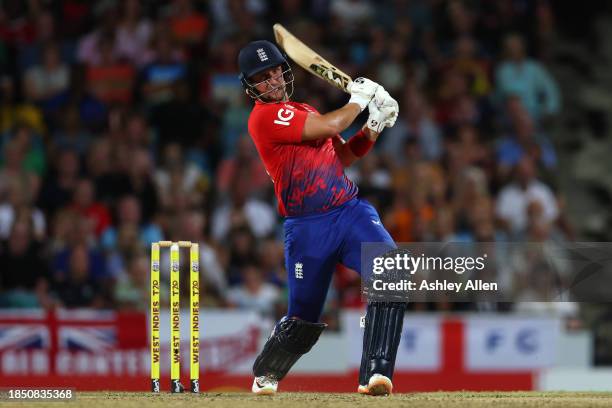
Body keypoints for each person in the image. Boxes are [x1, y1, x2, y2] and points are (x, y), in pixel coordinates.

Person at [238, 39, 404, 396]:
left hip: (348, 210)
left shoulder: (302, 109)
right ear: (251, 86)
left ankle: (375, 373)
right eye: (262, 78)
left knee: (390, 270)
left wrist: (373, 125)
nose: (273, 81)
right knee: (303, 318)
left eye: (275, 72)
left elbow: (340, 157)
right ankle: (266, 372)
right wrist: (360, 99)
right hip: (307, 227)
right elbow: (331, 127)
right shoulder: (264, 119)